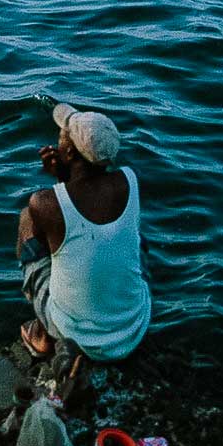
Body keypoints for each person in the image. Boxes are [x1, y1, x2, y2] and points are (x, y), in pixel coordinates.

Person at [16, 102, 151, 365]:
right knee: (135, 239)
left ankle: (45, 335)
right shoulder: (130, 180)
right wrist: (65, 179)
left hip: (77, 338)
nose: (58, 136)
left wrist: (60, 182)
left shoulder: (44, 202)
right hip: (134, 330)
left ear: (68, 151)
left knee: (26, 220)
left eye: (63, 135)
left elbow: (56, 242)